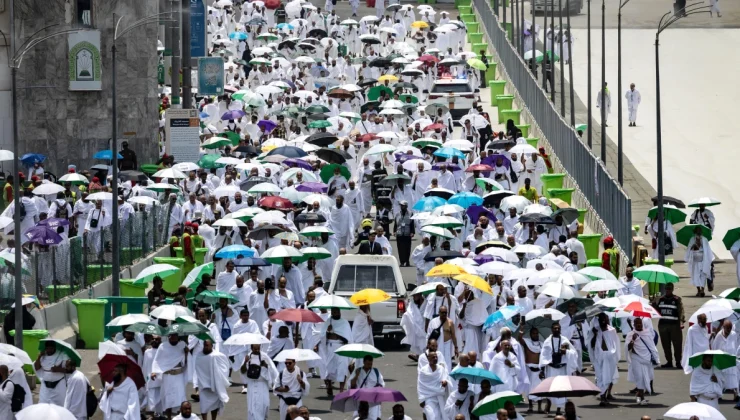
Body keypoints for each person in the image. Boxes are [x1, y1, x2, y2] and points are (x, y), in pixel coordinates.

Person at [540, 322, 577, 415]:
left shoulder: (565, 340)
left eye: (558, 328)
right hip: (551, 368)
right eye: (555, 328)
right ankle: (548, 404)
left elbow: (573, 353)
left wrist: (566, 352)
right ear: (552, 330)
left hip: (562, 368)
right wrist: (542, 369)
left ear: (560, 329)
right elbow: (543, 356)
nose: (556, 330)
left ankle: (559, 409)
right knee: (551, 388)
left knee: (561, 389)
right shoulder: (547, 341)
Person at [152, 333, 188, 418]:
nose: (173, 338)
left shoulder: (182, 345)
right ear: (169, 337)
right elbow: (157, 360)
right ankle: (169, 417)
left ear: (178, 337)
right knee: (168, 398)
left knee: (180, 397)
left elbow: (185, 362)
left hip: (178, 375)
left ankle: (180, 417)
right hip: (168, 376)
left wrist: (186, 353)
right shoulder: (163, 346)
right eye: (172, 336)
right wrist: (154, 371)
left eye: (175, 336)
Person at [625, 318, 659, 405]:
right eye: (637, 324)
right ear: (634, 325)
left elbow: (652, 347)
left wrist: (656, 358)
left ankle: (639, 395)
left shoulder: (647, 333)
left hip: (646, 360)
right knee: (639, 377)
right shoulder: (630, 334)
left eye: (640, 323)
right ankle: (642, 398)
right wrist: (632, 340)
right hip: (636, 358)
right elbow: (627, 348)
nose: (639, 325)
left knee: (645, 379)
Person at [319, 307, 352, 396]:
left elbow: (347, 338)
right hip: (331, 347)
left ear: (340, 312)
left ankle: (341, 390)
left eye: (337, 311)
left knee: (343, 368)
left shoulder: (345, 322)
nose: (336, 313)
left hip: (342, 347)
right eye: (334, 312)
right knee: (330, 368)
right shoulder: (328, 322)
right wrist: (327, 332)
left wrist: (337, 334)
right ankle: (329, 385)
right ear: (332, 313)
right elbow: (322, 336)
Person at [195, 340, 230, 420]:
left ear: (212, 346)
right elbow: (198, 369)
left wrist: (217, 378)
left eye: (208, 345)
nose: (206, 347)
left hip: (215, 384)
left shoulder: (218, 355)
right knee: (203, 406)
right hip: (204, 385)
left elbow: (224, 368)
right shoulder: (199, 356)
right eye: (205, 345)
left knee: (214, 405)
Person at [242, 344, 278, 420]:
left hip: (262, 386)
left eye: (258, 348)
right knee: (253, 408)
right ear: (251, 348)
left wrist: (265, 365)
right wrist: (245, 362)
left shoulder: (264, 356)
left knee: (265, 405)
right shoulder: (248, 357)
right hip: (252, 385)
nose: (257, 350)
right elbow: (242, 371)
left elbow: (273, 370)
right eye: (255, 349)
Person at [591, 312, 621, 405]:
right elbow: (592, 345)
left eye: (606, 319)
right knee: (601, 377)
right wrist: (595, 335)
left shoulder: (612, 330)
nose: (604, 321)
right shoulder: (595, 330)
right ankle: (602, 397)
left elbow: (615, 344)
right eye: (602, 319)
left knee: (610, 376)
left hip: (610, 357)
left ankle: (608, 394)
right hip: (600, 358)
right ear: (599, 321)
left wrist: (614, 356)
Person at [653, 282, 685, 369]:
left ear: (672, 289)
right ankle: (669, 361)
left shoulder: (676, 299)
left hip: (675, 326)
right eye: (666, 289)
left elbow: (681, 311)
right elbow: (655, 312)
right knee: (665, 345)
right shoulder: (660, 299)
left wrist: (681, 321)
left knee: (677, 345)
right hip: (663, 325)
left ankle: (678, 362)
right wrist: (653, 303)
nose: (668, 291)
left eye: (669, 289)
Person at [417, 352, 452, 420]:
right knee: (432, 417)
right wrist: (421, 399)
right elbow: (420, 385)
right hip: (429, 397)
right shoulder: (423, 371)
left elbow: (446, 378)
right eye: (433, 357)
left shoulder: (441, 369)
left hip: (441, 397)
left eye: (436, 357)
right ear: (428, 358)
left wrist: (445, 382)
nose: (435, 359)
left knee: (443, 416)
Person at [34, 340, 69, 406]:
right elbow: (37, 368)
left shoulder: (62, 355)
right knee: (43, 404)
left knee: (59, 405)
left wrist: (58, 369)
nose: (49, 350)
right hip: (45, 385)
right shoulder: (43, 355)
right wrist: (39, 357)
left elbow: (68, 370)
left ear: (54, 348)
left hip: (58, 384)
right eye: (47, 348)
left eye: (51, 348)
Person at [350, 355, 385, 420]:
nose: (369, 366)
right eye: (367, 364)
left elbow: (382, 384)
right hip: (360, 400)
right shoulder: (358, 371)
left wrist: (378, 387)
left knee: (373, 417)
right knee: (359, 417)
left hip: (373, 400)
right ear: (363, 362)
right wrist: (356, 376)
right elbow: (351, 385)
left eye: (371, 364)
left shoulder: (376, 371)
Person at [426, 306, 458, 370]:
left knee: (447, 362)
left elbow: (453, 335)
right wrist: (428, 346)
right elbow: (429, 335)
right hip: (436, 346)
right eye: (442, 312)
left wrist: (456, 347)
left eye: (445, 313)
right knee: (437, 360)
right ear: (439, 312)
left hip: (447, 345)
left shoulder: (450, 322)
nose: (444, 314)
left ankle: (447, 377)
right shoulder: (433, 322)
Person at [685, 226, 714, 296]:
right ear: (695, 232)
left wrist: (700, 244)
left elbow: (708, 251)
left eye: (699, 231)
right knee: (696, 276)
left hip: (703, 260)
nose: (698, 232)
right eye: (697, 231)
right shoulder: (692, 239)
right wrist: (693, 247)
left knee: (703, 275)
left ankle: (702, 290)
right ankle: (698, 290)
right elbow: (689, 248)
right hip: (695, 261)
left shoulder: (704, 240)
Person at [393, 201, 414, 267]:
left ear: (406, 206)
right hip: (399, 233)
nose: (402, 207)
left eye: (403, 205)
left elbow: (412, 224)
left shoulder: (410, 213)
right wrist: (394, 231)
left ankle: (407, 261)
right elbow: (395, 224)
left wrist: (412, 232)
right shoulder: (397, 214)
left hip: (407, 233)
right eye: (401, 205)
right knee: (400, 248)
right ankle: (402, 262)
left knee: (407, 248)